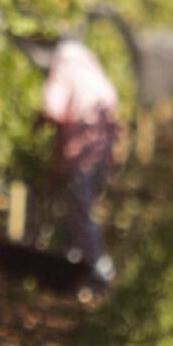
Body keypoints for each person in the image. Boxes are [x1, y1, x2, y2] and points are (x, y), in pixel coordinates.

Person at [39, 35, 119, 300]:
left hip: (83, 148)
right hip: (101, 148)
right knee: (81, 208)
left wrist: (38, 125)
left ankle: (100, 270)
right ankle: (77, 265)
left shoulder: (64, 65)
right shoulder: (90, 66)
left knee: (81, 210)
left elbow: (53, 108)